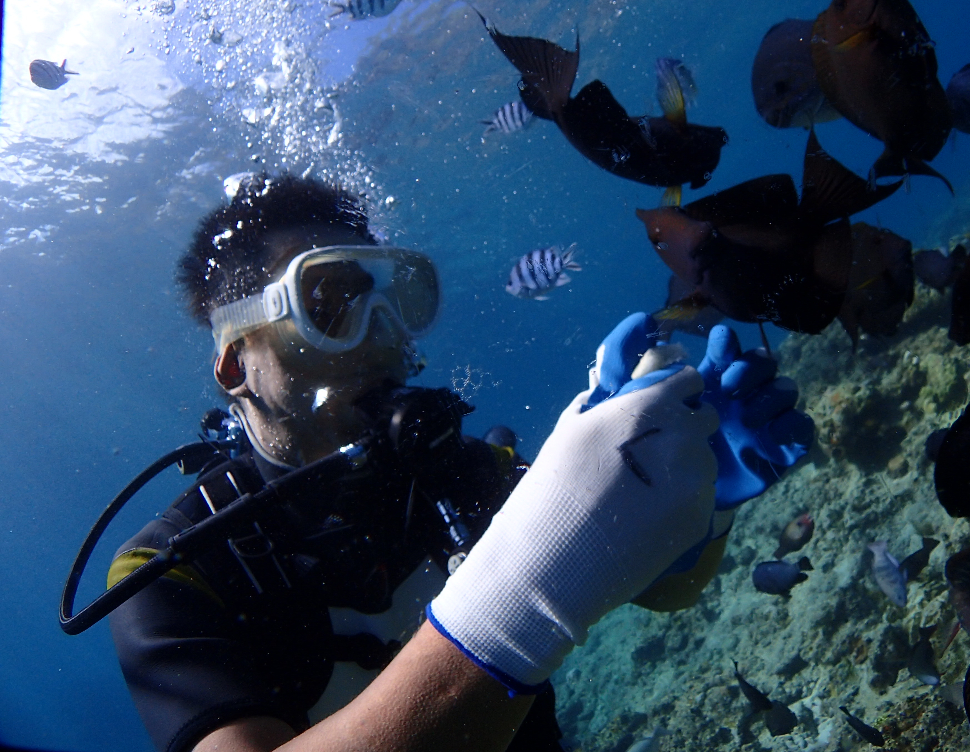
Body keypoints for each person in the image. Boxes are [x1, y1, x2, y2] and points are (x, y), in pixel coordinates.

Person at [105, 172, 812, 752]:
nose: (383, 340)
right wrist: (526, 597)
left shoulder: (459, 471)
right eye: (331, 305)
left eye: (392, 302)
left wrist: (700, 501)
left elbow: (663, 589)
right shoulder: (173, 570)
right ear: (235, 363)